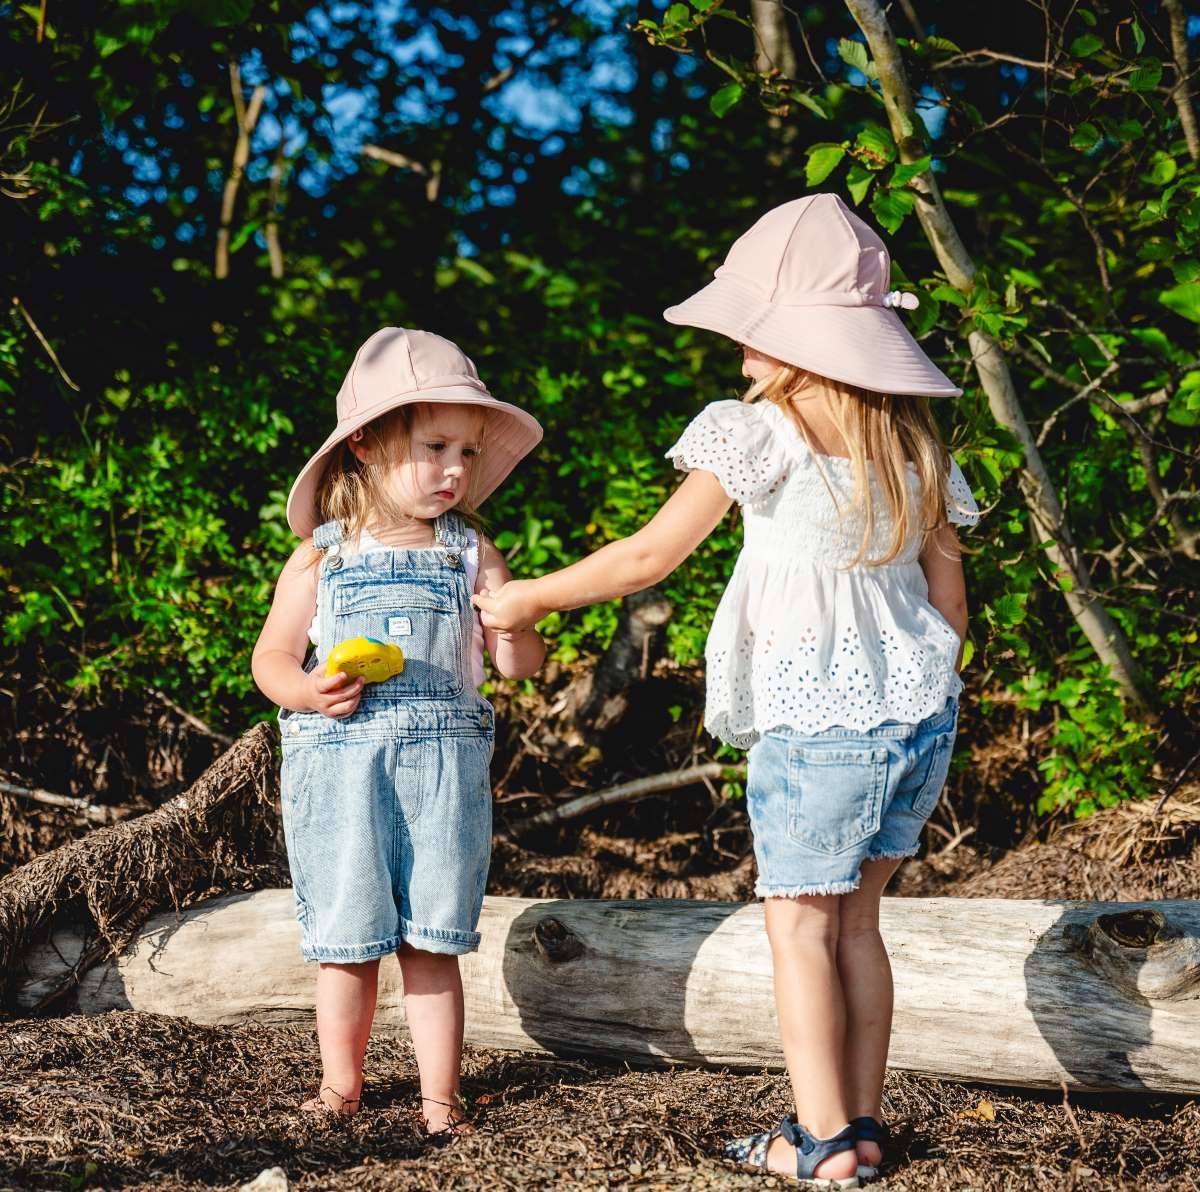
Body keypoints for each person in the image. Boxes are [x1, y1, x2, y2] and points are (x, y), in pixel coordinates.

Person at [472, 194, 982, 1186]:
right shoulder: (917, 450)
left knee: (798, 928)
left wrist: (527, 594)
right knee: (860, 926)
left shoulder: (759, 434)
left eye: (754, 334)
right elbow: (950, 604)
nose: (742, 355)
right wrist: (910, 675)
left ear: (801, 345)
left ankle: (824, 1143)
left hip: (816, 717)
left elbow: (649, 555)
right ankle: (861, 1125)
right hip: (920, 712)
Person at [252, 328, 546, 1131]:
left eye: (468, 451)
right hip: (341, 768)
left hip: (441, 778)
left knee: (431, 940)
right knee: (346, 943)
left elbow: (518, 665)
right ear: (369, 445)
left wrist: (516, 626)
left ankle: (438, 1098)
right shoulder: (322, 557)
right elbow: (270, 658)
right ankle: (339, 1087)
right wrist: (308, 692)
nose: (457, 468)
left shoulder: (470, 553)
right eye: (436, 446)